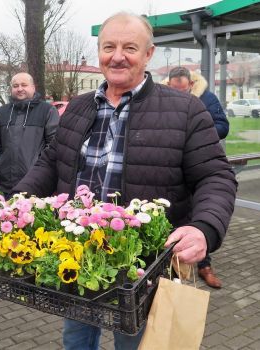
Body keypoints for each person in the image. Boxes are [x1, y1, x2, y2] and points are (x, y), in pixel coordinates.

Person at [13, 12, 237, 350]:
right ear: (100, 52)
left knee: (135, 343)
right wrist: (16, 201)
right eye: (109, 47)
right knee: (76, 341)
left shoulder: (186, 111)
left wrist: (204, 227)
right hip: (77, 257)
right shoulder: (78, 107)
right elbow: (51, 161)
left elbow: (216, 176)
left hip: (142, 270)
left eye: (130, 47)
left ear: (148, 54)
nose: (117, 56)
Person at [167, 65, 229, 288]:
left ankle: (204, 266)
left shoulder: (207, 98)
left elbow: (223, 125)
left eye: (183, 90)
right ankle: (171, 264)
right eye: (175, 89)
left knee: (198, 216)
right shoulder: (163, 98)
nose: (179, 94)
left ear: (191, 84)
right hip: (172, 164)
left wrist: (196, 130)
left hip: (200, 162)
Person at [0, 72, 59, 199]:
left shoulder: (47, 111)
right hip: (8, 182)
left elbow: (54, 144)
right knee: (10, 218)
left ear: (33, 87)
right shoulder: (2, 112)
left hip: (37, 183)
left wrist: (40, 171)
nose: (20, 89)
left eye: (24, 85)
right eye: (15, 86)